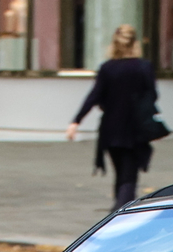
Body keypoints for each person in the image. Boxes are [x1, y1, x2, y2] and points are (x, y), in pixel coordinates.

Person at [65, 25, 161, 208]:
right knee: (129, 174)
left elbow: (94, 96)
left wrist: (76, 121)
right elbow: (153, 95)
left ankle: (119, 207)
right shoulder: (143, 67)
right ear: (135, 44)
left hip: (111, 129)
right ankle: (121, 209)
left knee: (121, 171)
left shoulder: (107, 68)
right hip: (135, 129)